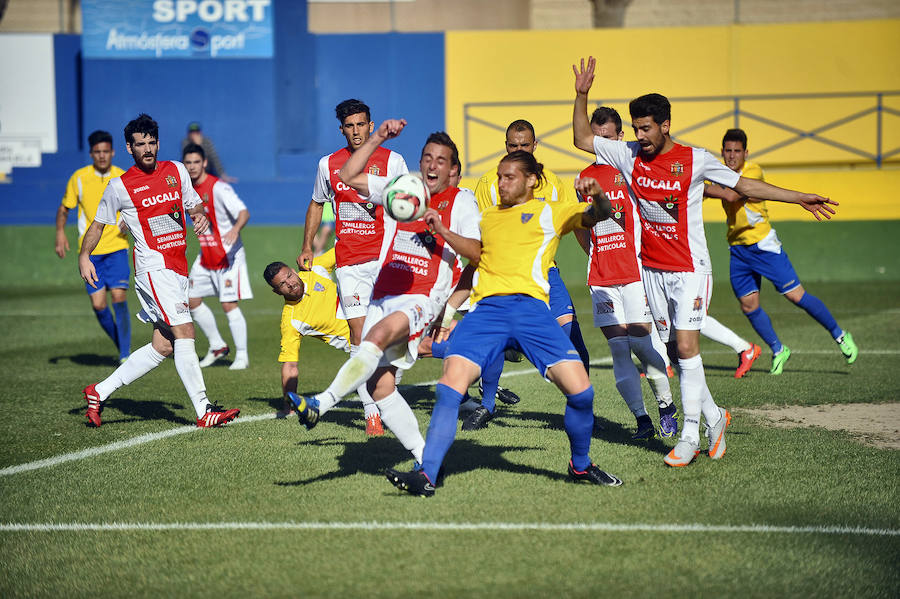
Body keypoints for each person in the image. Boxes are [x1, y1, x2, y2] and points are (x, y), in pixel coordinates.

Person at [572, 56, 837, 467]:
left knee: (686, 346)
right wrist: (582, 94)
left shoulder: (695, 159)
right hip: (652, 272)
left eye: (646, 128)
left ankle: (689, 437)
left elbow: (744, 184)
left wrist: (798, 196)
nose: (640, 136)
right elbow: (582, 141)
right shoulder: (628, 155)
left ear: (664, 125)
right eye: (636, 128)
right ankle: (716, 418)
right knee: (675, 354)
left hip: (691, 269)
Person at [385, 150, 624, 498]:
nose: (501, 183)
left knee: (582, 393)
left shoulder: (550, 211)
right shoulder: (488, 217)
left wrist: (598, 195)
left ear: (531, 180)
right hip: (487, 312)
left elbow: (601, 215)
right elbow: (476, 255)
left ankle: (581, 464)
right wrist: (443, 232)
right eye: (499, 176)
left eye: (509, 176)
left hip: (532, 312)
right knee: (449, 388)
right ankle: (427, 475)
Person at [289, 120, 482, 468]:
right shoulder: (402, 189)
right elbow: (346, 176)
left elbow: (477, 252)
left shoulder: (460, 201)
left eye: (441, 160)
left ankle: (321, 403)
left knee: (372, 337)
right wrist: (377, 137)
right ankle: (426, 458)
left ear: (453, 169)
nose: (433, 165)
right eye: (427, 158)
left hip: (423, 297)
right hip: (384, 293)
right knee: (380, 385)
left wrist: (441, 229)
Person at [80, 114, 240, 428]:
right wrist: (84, 255)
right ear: (129, 147)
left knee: (164, 345)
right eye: (141, 144)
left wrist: (199, 215)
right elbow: (97, 225)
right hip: (154, 268)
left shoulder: (176, 171)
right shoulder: (119, 186)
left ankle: (99, 391)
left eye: (152, 142)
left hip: (178, 267)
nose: (148, 149)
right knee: (185, 332)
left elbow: (193, 203)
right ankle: (204, 410)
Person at [467, 119, 590, 429]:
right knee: (492, 339)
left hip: (546, 273)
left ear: (536, 146)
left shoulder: (554, 185)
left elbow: (573, 221)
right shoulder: (489, 184)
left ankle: (581, 407)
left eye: (524, 145)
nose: (519, 149)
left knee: (572, 338)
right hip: (504, 278)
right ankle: (487, 405)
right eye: (513, 145)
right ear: (506, 147)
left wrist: (593, 254)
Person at [297, 99, 409, 436]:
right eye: (350, 126)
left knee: (393, 337)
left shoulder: (393, 161)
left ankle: (387, 391)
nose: (356, 131)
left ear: (371, 126)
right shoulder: (328, 165)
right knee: (360, 339)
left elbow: (408, 204)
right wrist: (307, 245)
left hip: (387, 259)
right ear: (342, 129)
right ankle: (371, 411)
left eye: (362, 124)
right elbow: (317, 204)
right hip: (350, 264)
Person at [705, 128, 857, 374]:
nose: (732, 156)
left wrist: (698, 185)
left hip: (763, 245)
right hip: (738, 249)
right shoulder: (720, 173)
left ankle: (840, 335)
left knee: (796, 296)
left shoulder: (752, 171)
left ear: (746, 153)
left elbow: (732, 195)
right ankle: (778, 349)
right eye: (728, 151)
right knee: (748, 305)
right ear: (722, 152)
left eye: (737, 151)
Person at [576, 107, 676, 439]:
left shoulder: (634, 169)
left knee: (641, 343)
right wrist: (594, 254)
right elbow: (580, 224)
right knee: (619, 348)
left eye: (607, 138)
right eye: (596, 139)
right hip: (602, 278)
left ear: (620, 138)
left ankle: (665, 405)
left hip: (635, 273)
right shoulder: (584, 178)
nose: (600, 144)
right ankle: (642, 421)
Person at [55, 130, 131, 363]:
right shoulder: (79, 177)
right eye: (97, 152)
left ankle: (126, 354)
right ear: (91, 153)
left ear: (113, 152)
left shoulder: (122, 176)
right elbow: (65, 208)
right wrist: (60, 232)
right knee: (99, 305)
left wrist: (127, 221)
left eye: (105, 151)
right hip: (90, 253)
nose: (101, 156)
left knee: (119, 297)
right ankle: (123, 344)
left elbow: (135, 207)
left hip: (117, 247)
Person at [182, 143, 253, 371]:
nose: (192, 167)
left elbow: (244, 212)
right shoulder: (186, 190)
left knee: (228, 303)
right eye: (188, 163)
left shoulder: (219, 187)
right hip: (206, 254)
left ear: (204, 163)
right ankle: (217, 345)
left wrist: (235, 229)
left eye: (196, 162)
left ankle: (242, 355)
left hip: (228, 255)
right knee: (191, 299)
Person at [263, 251, 355, 416]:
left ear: (293, 269)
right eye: (282, 284)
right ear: (277, 292)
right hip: (357, 344)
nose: (290, 283)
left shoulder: (314, 269)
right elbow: (290, 366)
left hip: (372, 315)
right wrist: (289, 404)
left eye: (290, 276)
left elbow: (343, 248)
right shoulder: (291, 320)